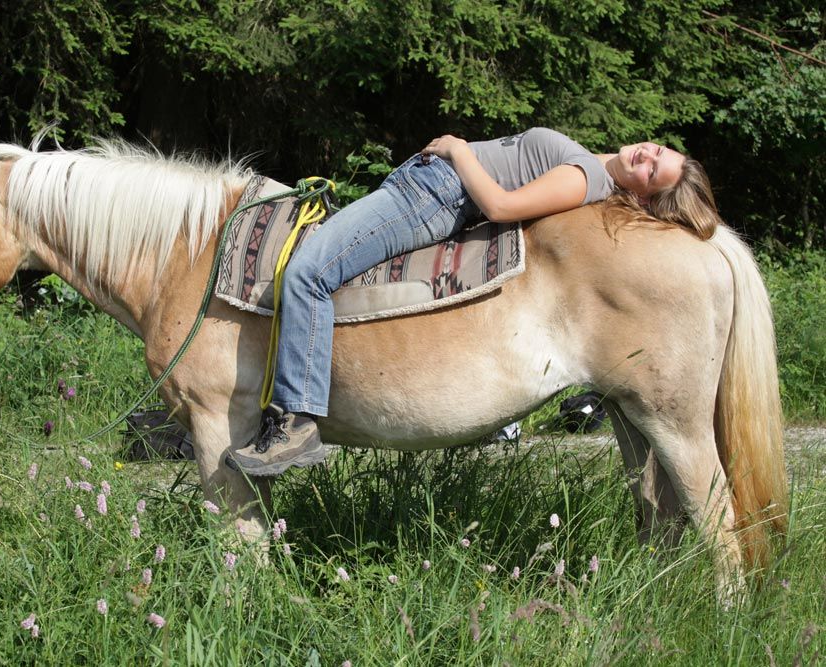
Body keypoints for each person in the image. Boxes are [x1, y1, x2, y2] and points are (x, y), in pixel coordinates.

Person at [227, 127, 723, 476]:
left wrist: (457, 150)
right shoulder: (592, 163)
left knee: (307, 272)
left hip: (433, 195)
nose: (647, 157)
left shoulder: (587, 180)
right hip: (426, 186)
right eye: (658, 151)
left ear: (641, 199)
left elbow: (501, 206)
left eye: (653, 173)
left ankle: (296, 421)